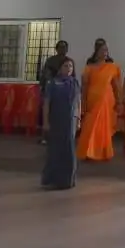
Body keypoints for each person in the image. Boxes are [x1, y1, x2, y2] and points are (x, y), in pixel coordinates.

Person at [76, 40, 121, 161]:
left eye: (106, 50)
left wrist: (119, 101)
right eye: (102, 50)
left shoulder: (112, 67)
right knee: (90, 125)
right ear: (97, 51)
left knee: (103, 127)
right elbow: (84, 87)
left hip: (107, 100)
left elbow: (116, 86)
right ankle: (89, 151)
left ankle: (101, 152)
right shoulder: (89, 68)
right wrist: (83, 102)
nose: (105, 52)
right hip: (92, 99)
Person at [41, 58, 81, 190]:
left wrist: (79, 119)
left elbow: (78, 102)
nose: (68, 68)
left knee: (69, 149)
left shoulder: (74, 82)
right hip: (56, 119)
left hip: (70, 121)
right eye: (65, 65)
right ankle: (52, 178)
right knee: (55, 150)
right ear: (60, 68)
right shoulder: (52, 83)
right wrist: (46, 121)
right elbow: (47, 103)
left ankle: (68, 180)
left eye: (71, 66)